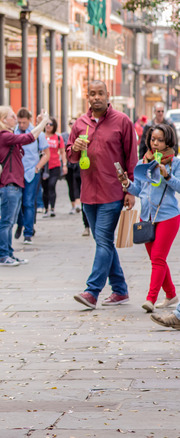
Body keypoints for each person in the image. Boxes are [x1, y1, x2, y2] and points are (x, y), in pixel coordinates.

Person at [69, 80, 138, 310]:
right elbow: (70, 156)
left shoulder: (122, 121)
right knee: (103, 241)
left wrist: (131, 190)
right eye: (92, 93)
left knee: (103, 239)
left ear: (108, 95)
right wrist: (76, 148)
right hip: (88, 193)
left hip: (113, 191)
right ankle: (120, 290)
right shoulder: (80, 123)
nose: (96, 97)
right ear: (87, 96)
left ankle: (92, 291)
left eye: (100, 93)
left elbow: (131, 157)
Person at [118, 124, 180, 313]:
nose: (155, 143)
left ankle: (150, 299)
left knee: (158, 258)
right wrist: (127, 184)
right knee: (156, 259)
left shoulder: (174, 162)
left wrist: (167, 175)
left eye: (160, 140)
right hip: (147, 217)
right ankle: (170, 294)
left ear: (168, 141)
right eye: (153, 139)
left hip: (168, 216)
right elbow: (140, 190)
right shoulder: (143, 162)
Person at [0, 105, 49, 266]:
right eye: (11, 116)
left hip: (15, 184)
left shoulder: (7, 135)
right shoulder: (3, 136)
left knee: (10, 222)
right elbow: (29, 138)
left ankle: (9, 253)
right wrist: (43, 122)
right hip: (9, 185)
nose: (15, 119)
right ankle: (4, 256)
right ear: (3, 120)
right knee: (6, 222)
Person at [13, 108, 49, 244]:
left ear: (29, 120)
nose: (21, 125)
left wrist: (37, 167)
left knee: (28, 202)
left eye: (24, 122)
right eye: (19, 122)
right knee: (17, 203)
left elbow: (47, 154)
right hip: (16, 173)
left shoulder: (37, 134)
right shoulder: (13, 132)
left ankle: (28, 232)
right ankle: (20, 224)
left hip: (31, 173)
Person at [39, 117, 67, 217]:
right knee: (45, 188)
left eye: (50, 124)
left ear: (54, 126)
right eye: (46, 124)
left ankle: (52, 208)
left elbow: (63, 152)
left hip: (55, 165)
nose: (48, 126)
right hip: (43, 166)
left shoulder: (58, 138)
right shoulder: (41, 137)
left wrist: (64, 165)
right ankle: (46, 209)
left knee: (51, 185)